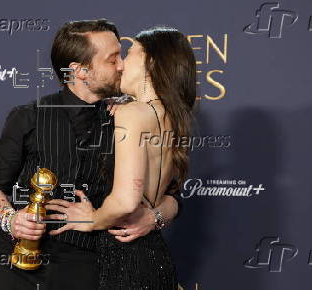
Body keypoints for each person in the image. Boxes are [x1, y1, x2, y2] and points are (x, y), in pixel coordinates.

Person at [0, 19, 182, 290]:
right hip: (13, 266)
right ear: (80, 71)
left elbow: (172, 196)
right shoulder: (28, 116)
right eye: (112, 59)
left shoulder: (129, 118)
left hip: (90, 267)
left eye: (121, 56)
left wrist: (152, 218)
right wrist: (10, 219)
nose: (122, 65)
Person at [45, 27, 197, 289]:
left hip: (124, 258)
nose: (121, 64)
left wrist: (91, 219)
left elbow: (126, 201)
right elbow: (166, 196)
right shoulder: (171, 116)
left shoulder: (134, 113)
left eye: (130, 53)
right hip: (151, 252)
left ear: (150, 62)